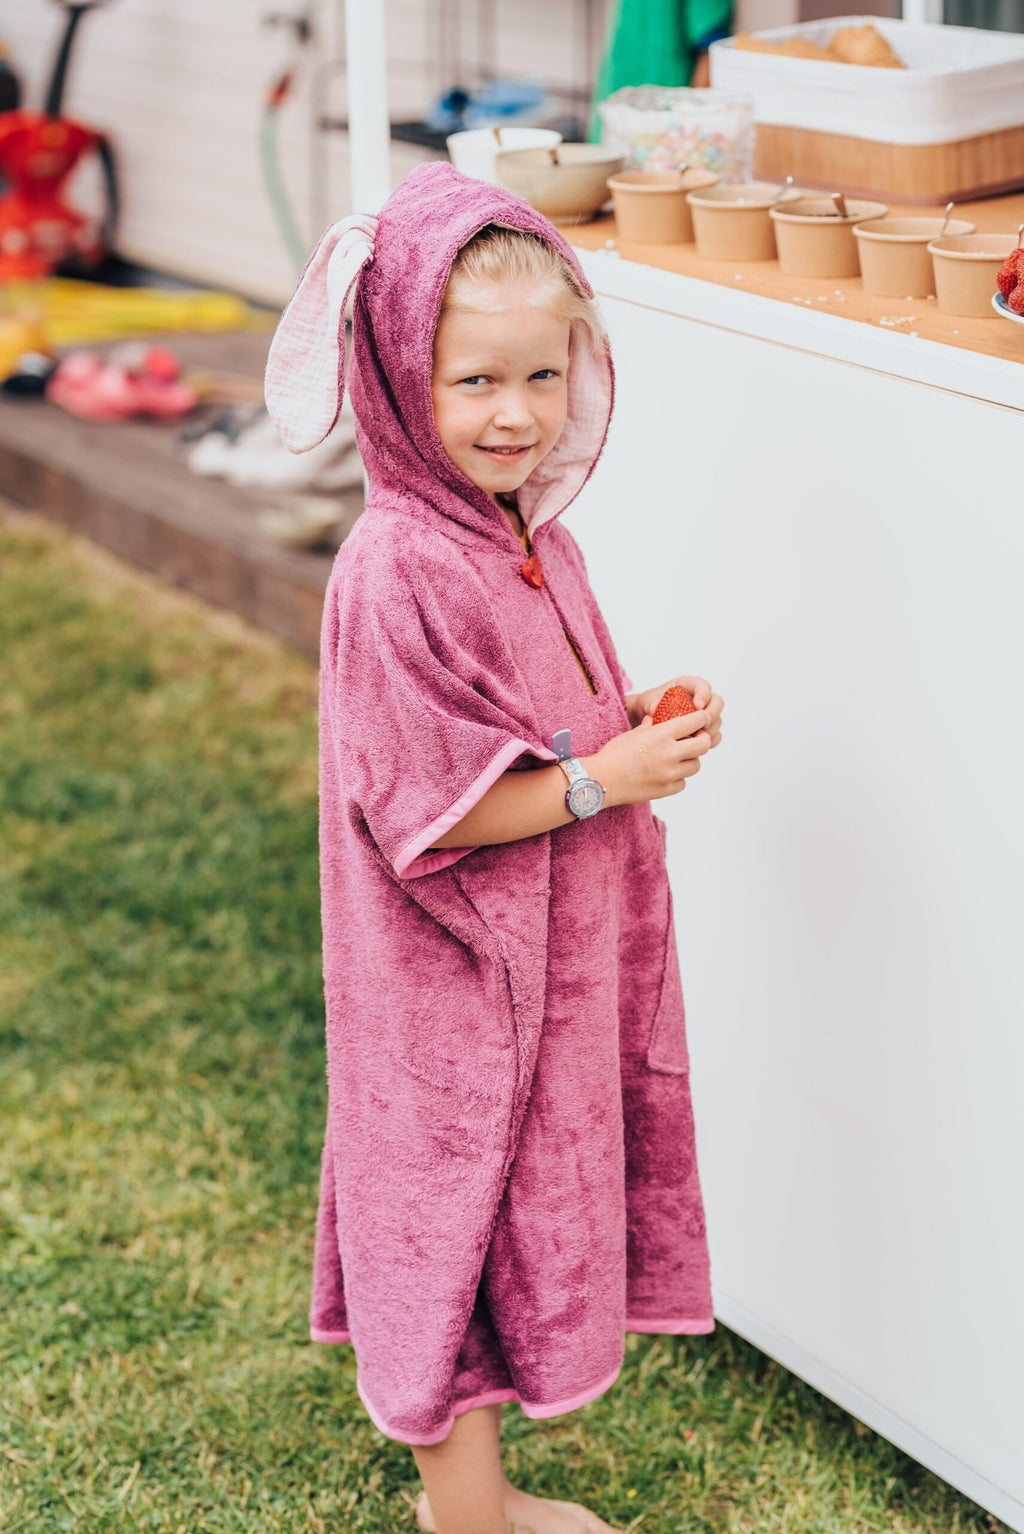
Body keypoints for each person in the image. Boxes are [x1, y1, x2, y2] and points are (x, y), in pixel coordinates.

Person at [264, 161, 725, 1534]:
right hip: (454, 990)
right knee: (449, 1222)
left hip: (547, 972)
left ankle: (492, 1492)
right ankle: (466, 1513)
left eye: (540, 376)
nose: (515, 415)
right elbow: (435, 808)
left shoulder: (530, 537)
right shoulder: (398, 569)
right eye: (474, 383)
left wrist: (627, 715)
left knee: (520, 1204)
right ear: (401, 380)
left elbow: (533, 719)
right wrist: (604, 777)